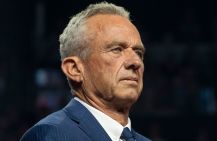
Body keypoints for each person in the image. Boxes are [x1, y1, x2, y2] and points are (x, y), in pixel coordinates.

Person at [20, 1, 151, 141]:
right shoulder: (52, 135)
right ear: (74, 69)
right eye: (117, 49)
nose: (136, 62)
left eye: (139, 53)